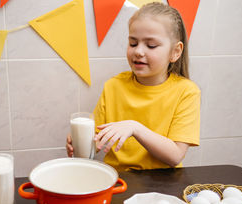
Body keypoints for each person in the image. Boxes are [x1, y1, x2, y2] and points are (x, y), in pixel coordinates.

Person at [66, 2, 200, 172]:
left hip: (162, 184)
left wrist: (135, 128)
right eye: (133, 43)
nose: (138, 51)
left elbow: (175, 156)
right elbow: (96, 142)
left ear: (175, 51)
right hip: (119, 180)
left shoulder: (186, 92)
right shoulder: (114, 86)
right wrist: (79, 143)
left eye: (151, 45)